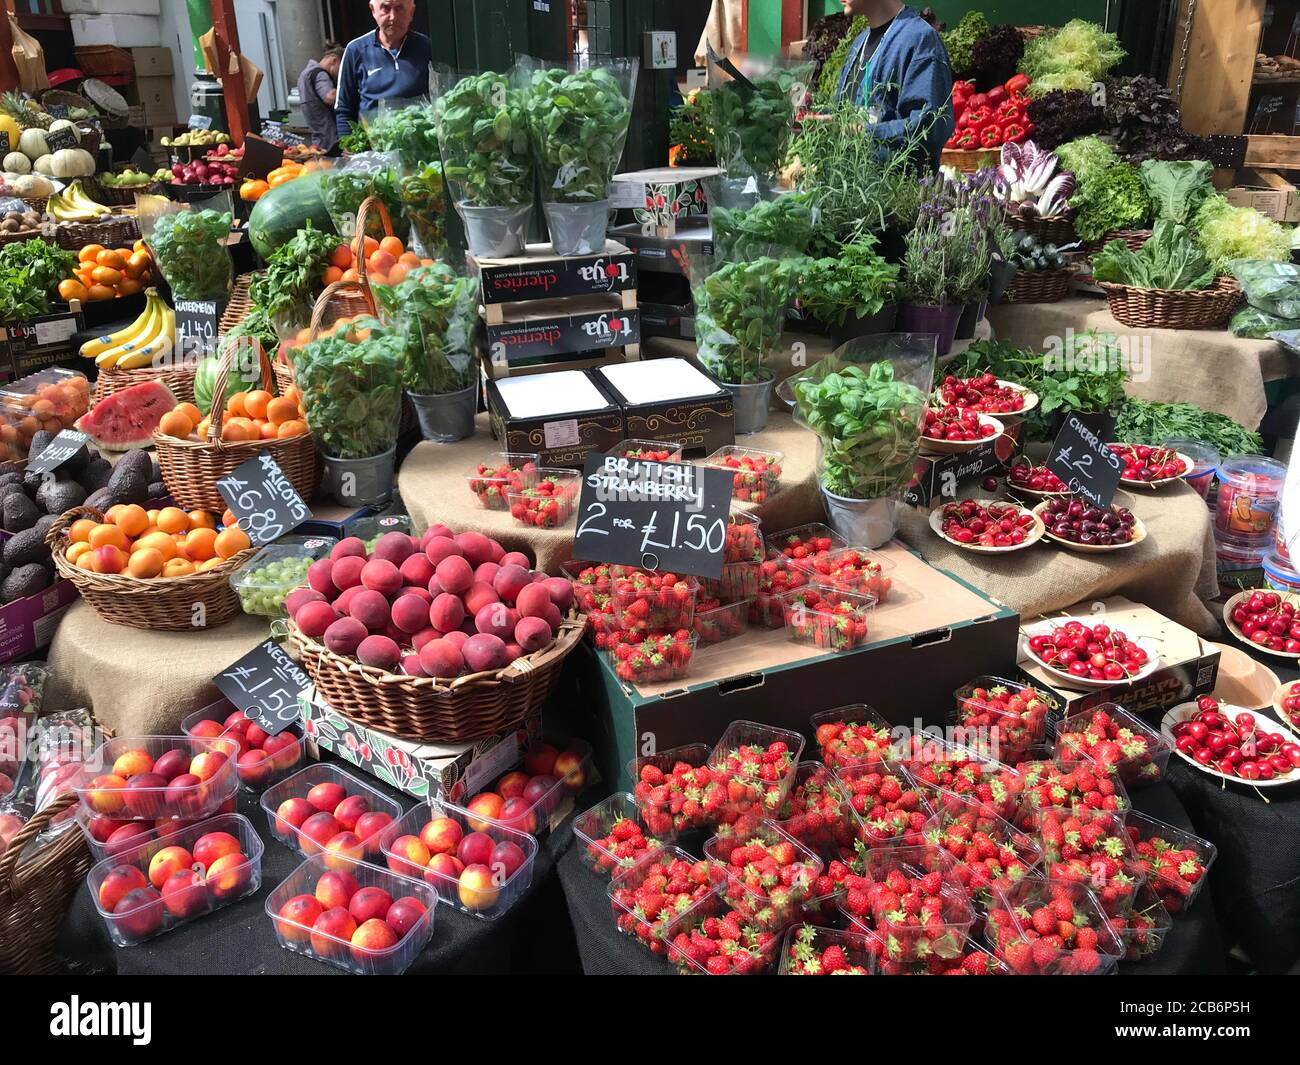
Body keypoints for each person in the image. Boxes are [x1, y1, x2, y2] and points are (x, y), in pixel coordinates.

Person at [834, 0, 953, 170]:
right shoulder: (859, 43)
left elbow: (929, 128)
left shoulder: (920, 41)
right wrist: (823, 122)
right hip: (848, 191)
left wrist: (864, 133)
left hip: (894, 193)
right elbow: (844, 115)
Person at [334, 0, 432, 142]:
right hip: (371, 151)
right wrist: (349, 147)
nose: (393, 17)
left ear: (411, 13)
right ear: (373, 10)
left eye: (400, 9)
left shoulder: (427, 48)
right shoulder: (355, 50)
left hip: (417, 148)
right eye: (385, 8)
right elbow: (344, 109)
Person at [297, 43, 343, 152]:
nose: (341, 72)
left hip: (319, 140)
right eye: (341, 67)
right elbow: (329, 96)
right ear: (334, 60)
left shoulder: (305, 73)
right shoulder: (320, 74)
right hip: (331, 141)